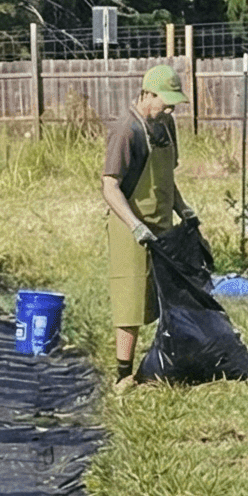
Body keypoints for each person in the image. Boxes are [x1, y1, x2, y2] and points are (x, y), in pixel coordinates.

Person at [102, 63, 199, 391]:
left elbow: (167, 179)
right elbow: (110, 186)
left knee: (169, 297)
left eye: (174, 101)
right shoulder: (125, 129)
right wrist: (134, 225)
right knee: (130, 301)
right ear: (147, 93)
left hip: (162, 223)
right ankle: (123, 373)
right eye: (165, 100)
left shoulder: (167, 125)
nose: (170, 107)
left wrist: (182, 209)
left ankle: (163, 364)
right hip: (130, 227)